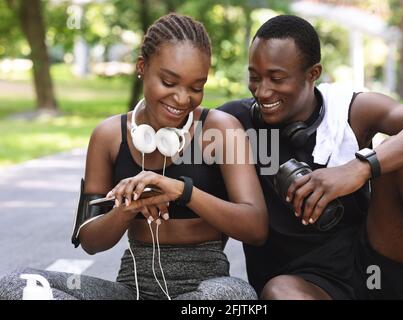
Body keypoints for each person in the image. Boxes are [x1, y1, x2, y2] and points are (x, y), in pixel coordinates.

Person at [0, 13, 268, 300]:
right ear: (142, 67)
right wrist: (127, 207)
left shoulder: (220, 128)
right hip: (132, 290)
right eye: (168, 82)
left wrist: (182, 191)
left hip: (204, 289)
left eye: (196, 87)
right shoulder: (108, 136)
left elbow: (256, 227)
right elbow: (90, 240)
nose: (181, 99)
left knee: (235, 298)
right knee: (18, 284)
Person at [219, 15, 403, 300]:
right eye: (254, 77)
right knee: (281, 292)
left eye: (277, 78)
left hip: (375, 268)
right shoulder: (233, 122)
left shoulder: (351, 111)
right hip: (304, 284)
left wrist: (359, 168)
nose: (262, 91)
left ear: (313, 73)